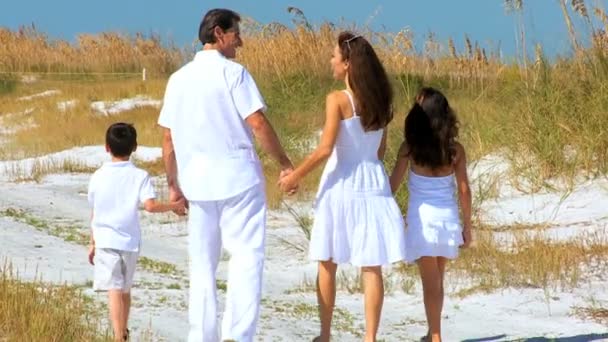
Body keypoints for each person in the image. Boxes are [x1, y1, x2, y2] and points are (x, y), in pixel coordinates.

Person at [157, 8, 295, 342]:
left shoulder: (178, 79)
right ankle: (238, 334)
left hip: (197, 184)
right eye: (236, 34)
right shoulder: (234, 73)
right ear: (219, 34)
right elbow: (258, 123)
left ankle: (201, 335)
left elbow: (167, 138)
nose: (241, 42)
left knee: (202, 265)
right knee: (246, 257)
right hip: (238, 180)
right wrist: (285, 163)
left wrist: (173, 184)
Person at [278, 32, 406, 342]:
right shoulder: (381, 100)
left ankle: (325, 335)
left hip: (341, 183)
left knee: (328, 261)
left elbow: (324, 150)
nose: (331, 61)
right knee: (371, 265)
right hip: (373, 182)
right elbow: (379, 152)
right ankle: (370, 337)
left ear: (347, 63)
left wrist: (294, 177)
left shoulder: (337, 99)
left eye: (335, 57)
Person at [87, 122, 185, 342]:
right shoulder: (140, 175)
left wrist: (92, 241)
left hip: (105, 239)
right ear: (135, 147)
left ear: (106, 147)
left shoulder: (98, 176)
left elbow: (95, 210)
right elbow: (150, 206)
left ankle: (118, 335)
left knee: (114, 288)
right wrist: (175, 206)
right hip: (130, 240)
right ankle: (123, 332)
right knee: (124, 288)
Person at [389, 87, 473, 342]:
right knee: (438, 280)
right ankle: (432, 333)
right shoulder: (455, 150)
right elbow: (464, 190)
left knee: (430, 284)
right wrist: (467, 226)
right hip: (447, 221)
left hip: (422, 221)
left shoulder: (409, 148)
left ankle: (435, 337)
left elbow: (391, 186)